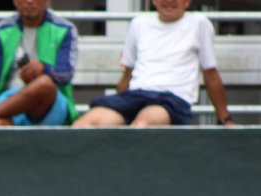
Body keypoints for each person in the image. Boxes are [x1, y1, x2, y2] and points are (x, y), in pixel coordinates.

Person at [72, 0, 234, 127]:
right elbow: (127, 74)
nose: (169, 1)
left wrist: (225, 120)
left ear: (187, 1)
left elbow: (210, 74)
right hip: (134, 96)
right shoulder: (138, 23)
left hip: (173, 100)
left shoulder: (199, 23)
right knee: (82, 126)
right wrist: (119, 101)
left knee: (142, 127)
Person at [0, 0, 79, 127]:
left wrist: (44, 68)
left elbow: (66, 74)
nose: (29, 1)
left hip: (51, 105)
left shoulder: (65, 29)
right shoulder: (0, 30)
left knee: (44, 83)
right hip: (9, 100)